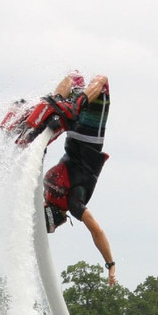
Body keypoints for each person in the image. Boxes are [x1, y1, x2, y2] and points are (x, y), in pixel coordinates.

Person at [42, 72, 116, 287]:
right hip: (73, 134)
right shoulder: (46, 191)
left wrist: (110, 263)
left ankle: (65, 102)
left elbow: (97, 231)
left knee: (102, 82)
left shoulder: (73, 204)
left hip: (88, 137)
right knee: (73, 77)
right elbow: (96, 231)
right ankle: (55, 102)